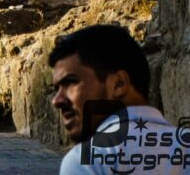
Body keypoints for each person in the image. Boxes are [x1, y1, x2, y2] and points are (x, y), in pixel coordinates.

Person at [49, 24, 175, 173]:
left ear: (119, 84)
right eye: (56, 89)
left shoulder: (87, 162)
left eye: (71, 82)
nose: (57, 100)